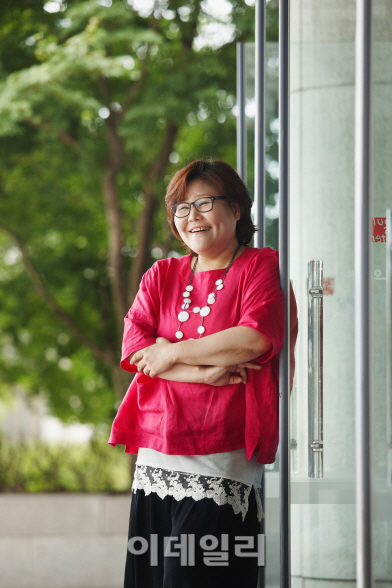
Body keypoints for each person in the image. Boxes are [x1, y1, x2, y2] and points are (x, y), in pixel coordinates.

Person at [108, 159, 298, 588]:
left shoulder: (260, 266)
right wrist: (200, 372)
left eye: (205, 202)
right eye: (181, 207)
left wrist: (170, 352)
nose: (191, 216)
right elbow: (136, 349)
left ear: (236, 209)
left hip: (220, 462)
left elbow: (253, 339)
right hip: (156, 460)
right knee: (152, 580)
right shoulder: (162, 274)